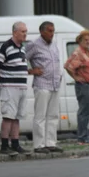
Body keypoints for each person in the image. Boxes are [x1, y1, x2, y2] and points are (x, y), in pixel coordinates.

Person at [0, 22, 33, 155]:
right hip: (10, 87)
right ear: (15, 32)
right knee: (8, 116)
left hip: (21, 87)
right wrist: (3, 78)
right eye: (22, 31)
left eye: (26, 31)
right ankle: (4, 146)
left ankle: (15, 143)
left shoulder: (22, 48)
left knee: (17, 117)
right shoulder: (6, 46)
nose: (25, 34)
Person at [25, 21, 64, 154]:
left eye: (53, 31)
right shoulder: (34, 44)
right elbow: (21, 59)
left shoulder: (54, 44)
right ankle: (39, 145)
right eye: (49, 31)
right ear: (42, 31)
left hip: (54, 84)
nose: (51, 34)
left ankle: (50, 143)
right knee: (40, 115)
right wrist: (31, 71)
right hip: (42, 83)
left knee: (53, 115)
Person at [64, 30, 89, 145]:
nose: (88, 42)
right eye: (86, 40)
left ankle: (85, 135)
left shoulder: (87, 52)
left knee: (87, 111)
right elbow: (68, 66)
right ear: (80, 41)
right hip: (84, 86)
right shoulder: (78, 53)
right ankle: (82, 137)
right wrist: (76, 77)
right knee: (84, 111)